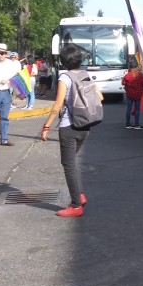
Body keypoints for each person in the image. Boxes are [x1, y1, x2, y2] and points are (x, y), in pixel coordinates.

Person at [40, 43, 101, 217]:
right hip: (85, 126)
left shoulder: (65, 78)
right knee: (71, 164)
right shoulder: (85, 75)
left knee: (68, 166)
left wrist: (46, 126)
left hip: (69, 127)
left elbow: (57, 105)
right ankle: (78, 195)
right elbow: (100, 96)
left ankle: (76, 205)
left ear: (63, 60)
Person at [121, 62, 143, 129]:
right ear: (136, 67)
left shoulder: (128, 75)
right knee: (137, 109)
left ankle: (128, 124)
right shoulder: (140, 75)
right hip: (138, 94)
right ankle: (136, 124)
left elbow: (123, 83)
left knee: (129, 109)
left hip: (129, 94)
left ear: (130, 68)